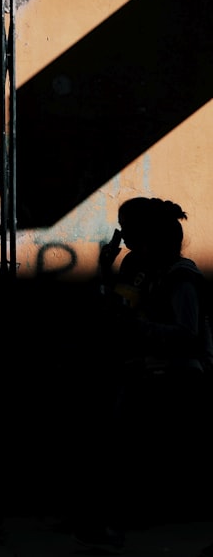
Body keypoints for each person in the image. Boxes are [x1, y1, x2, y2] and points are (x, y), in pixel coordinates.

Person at [73, 197, 213, 554]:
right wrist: (108, 274)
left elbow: (187, 335)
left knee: (123, 429)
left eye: (131, 234)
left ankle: (116, 517)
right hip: (147, 366)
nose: (127, 242)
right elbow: (122, 306)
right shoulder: (144, 270)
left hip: (178, 373)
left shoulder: (182, 278)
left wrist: (138, 327)